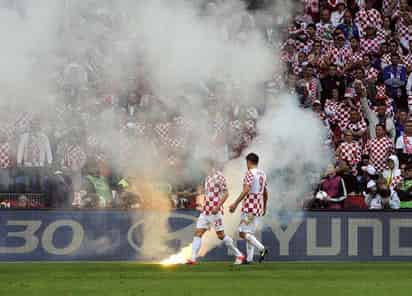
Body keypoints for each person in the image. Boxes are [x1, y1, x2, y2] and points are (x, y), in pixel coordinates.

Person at [188, 159, 244, 265]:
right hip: (206, 211)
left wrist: (218, 206)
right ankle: (193, 258)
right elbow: (208, 194)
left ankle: (239, 255)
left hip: (215, 212)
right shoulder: (207, 177)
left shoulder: (219, 177)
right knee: (198, 233)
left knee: (221, 235)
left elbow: (226, 193)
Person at [229, 153, 268, 264]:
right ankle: (249, 259)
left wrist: (235, 204)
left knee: (242, 232)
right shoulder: (263, 174)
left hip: (249, 207)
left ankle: (262, 249)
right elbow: (265, 192)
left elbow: (246, 190)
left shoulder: (250, 173)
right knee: (249, 233)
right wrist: (264, 207)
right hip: (258, 207)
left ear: (249, 162)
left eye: (246, 162)